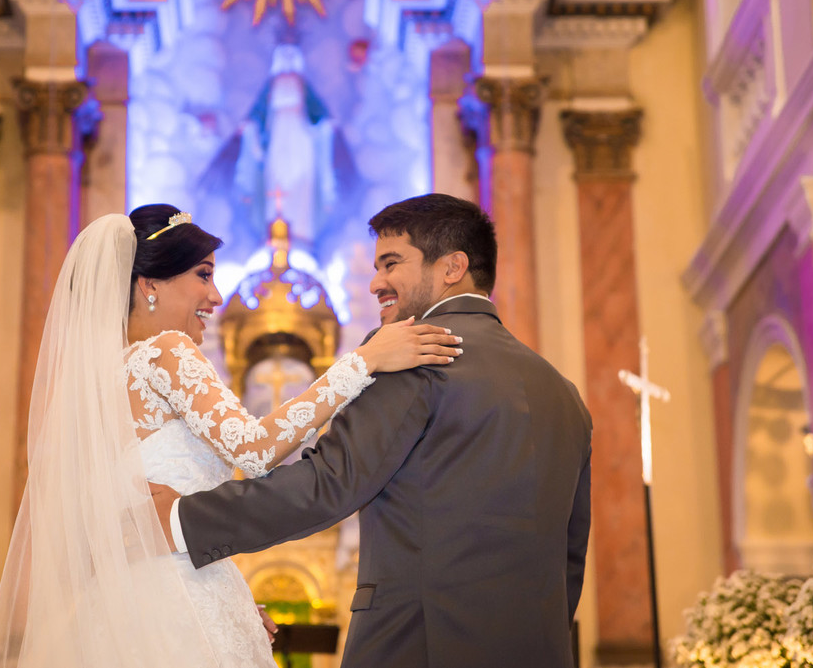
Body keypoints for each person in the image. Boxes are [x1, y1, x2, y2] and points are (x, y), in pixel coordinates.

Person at [0, 204, 461, 668]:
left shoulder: (98, 382)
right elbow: (254, 450)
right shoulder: (166, 352)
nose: (215, 296)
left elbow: (102, 526)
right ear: (149, 285)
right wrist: (365, 360)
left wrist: (217, 602)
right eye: (203, 275)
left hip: (116, 607)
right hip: (172, 606)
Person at [153, 193, 594, 668]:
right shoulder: (566, 395)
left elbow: (327, 484)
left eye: (391, 263)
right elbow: (570, 556)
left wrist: (183, 519)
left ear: (453, 267)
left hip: (417, 645)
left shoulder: (413, 354)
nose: (375, 283)